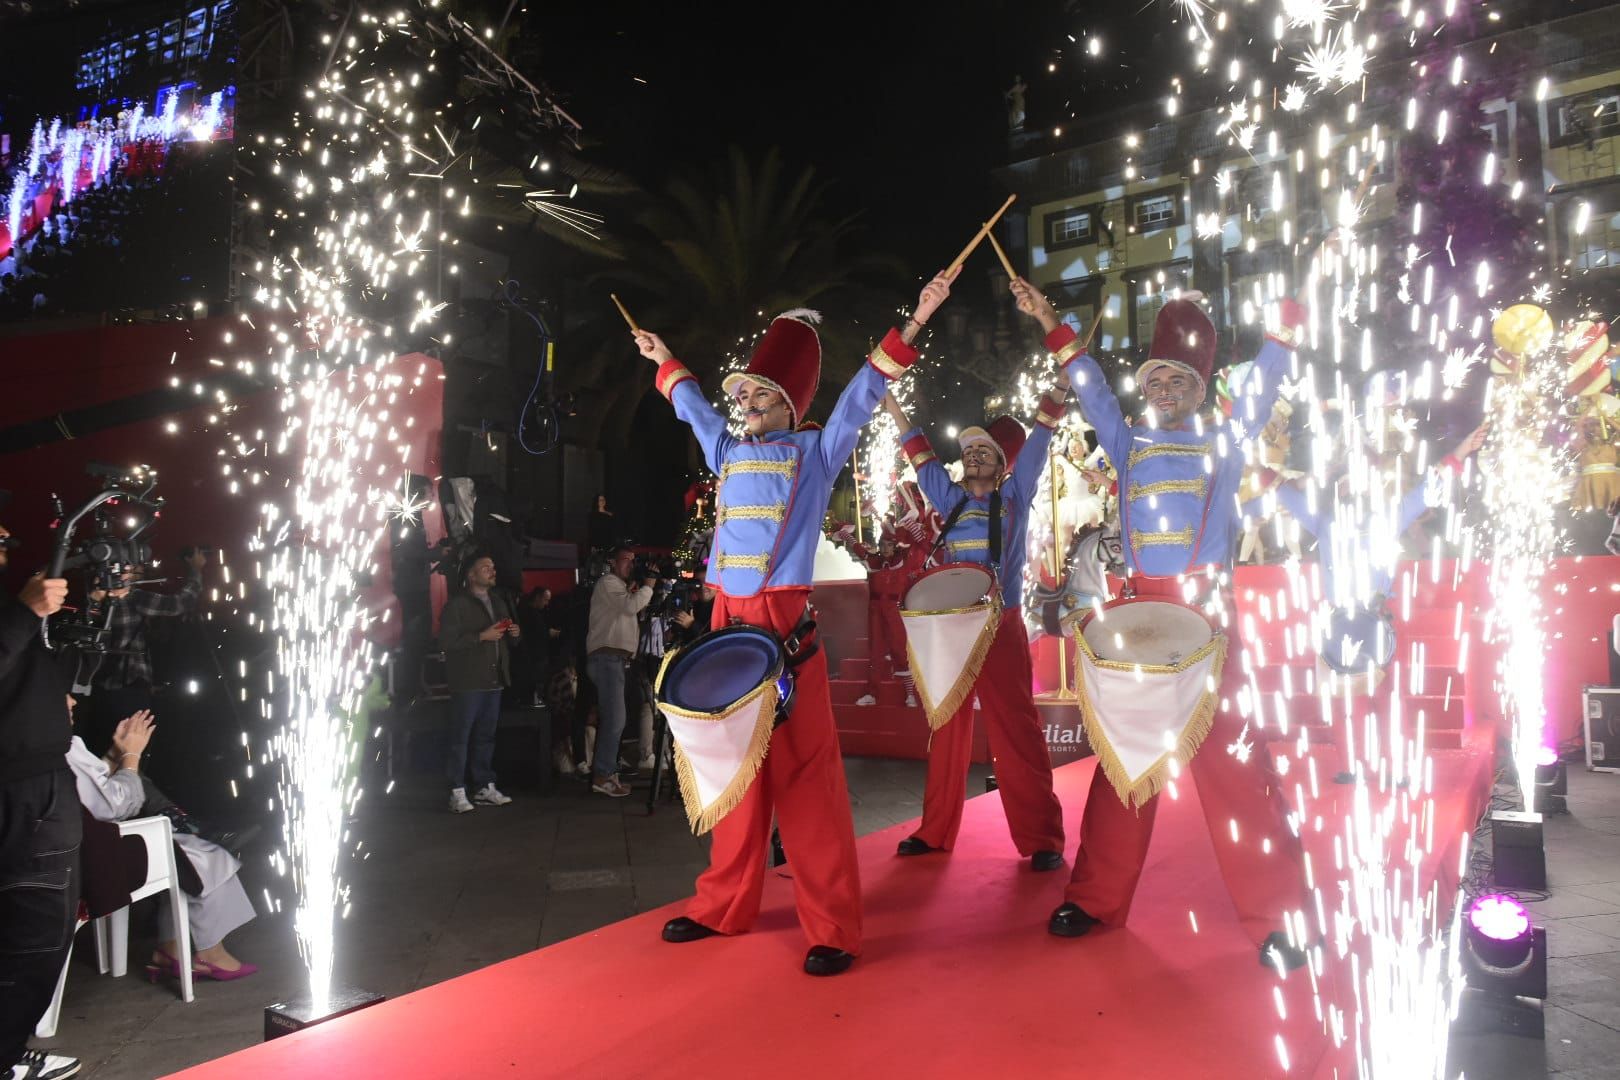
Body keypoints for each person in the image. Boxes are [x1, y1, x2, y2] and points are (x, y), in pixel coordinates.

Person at [633, 270, 953, 976]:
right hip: (724, 625)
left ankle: (833, 926)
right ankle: (724, 904)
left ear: (787, 402)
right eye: (742, 391)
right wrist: (665, 362)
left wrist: (917, 320)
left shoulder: (815, 452)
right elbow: (693, 408)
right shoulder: (728, 449)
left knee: (808, 780)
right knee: (734, 776)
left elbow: (863, 395)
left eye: (756, 392)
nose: (741, 400)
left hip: (783, 629)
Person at [1025, 275, 1317, 969]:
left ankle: (1280, 919)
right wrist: (1050, 321)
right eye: (1155, 376)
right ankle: (1094, 898)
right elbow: (1092, 388)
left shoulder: (1227, 439)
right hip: (1143, 613)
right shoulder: (1125, 443)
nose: (1163, 388)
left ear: (1199, 387)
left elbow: (1260, 391)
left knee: (1235, 769)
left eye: (1178, 379)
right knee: (1125, 756)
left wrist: (1282, 331)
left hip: (1209, 618)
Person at [882, 344, 1069, 869]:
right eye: (969, 452)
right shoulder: (949, 498)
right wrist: (892, 405)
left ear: (1004, 464)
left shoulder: (1015, 496)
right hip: (952, 626)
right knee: (946, 725)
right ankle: (935, 830)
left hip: (1002, 623)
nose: (975, 456)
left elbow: (1040, 439)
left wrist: (1060, 385)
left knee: (1017, 729)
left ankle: (1042, 840)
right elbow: (917, 453)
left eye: (985, 452)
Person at [64, 700, 257, 982]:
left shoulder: (28, 742)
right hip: (91, 862)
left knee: (186, 851)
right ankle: (209, 952)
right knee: (202, 854)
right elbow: (116, 806)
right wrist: (131, 755)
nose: (73, 700)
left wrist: (114, 755)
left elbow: (87, 795)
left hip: (66, 853)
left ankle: (171, 949)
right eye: (60, 692)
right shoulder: (60, 746)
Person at [0, 512, 83, 1080]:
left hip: (35, 783)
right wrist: (26, 611)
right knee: (36, 936)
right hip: (23, 794)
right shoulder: (11, 611)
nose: (4, 543)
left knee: (33, 932)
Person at [438, 552, 518, 814]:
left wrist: (514, 634)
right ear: (471, 575)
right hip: (468, 680)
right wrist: (481, 636)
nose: (492, 570)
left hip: (493, 680)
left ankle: (483, 785)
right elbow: (447, 642)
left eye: (493, 566)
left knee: (486, 736)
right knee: (461, 736)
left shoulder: (498, 601)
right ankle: (456, 790)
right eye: (485, 567)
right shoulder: (457, 605)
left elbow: (508, 640)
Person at [585, 545, 654, 796]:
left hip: (615, 660)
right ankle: (602, 776)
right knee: (615, 719)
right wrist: (648, 586)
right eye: (626, 560)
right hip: (607, 658)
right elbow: (630, 607)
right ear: (613, 563)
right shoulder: (608, 583)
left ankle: (608, 772)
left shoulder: (621, 588)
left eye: (633, 560)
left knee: (617, 719)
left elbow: (631, 608)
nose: (631, 564)